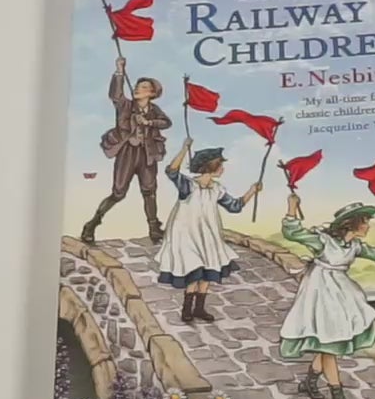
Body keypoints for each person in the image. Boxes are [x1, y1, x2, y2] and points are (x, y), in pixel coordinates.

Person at [276, 190, 375, 399]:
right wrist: (292, 207)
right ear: (352, 224)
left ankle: (309, 382)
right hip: (319, 294)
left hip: (341, 295)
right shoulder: (323, 241)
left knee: (328, 341)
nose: (368, 226)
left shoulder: (355, 246)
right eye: (365, 221)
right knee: (329, 344)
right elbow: (293, 233)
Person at [156, 139, 262, 323]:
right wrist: (184, 149)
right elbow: (171, 171)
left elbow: (235, 206)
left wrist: (252, 191)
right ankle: (187, 309)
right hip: (187, 235)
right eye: (220, 165)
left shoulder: (217, 189)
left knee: (207, 271)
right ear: (211, 166)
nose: (222, 169)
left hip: (207, 235)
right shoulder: (189, 186)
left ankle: (199, 309)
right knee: (193, 271)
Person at [80, 54, 173, 245]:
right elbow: (115, 95)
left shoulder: (154, 110)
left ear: (152, 93)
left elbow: (166, 122)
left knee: (149, 191)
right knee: (119, 193)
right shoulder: (125, 106)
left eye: (144, 87)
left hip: (147, 154)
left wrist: (149, 122)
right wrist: (119, 71)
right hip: (127, 153)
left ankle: (154, 228)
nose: (138, 88)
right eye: (138, 86)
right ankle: (92, 224)